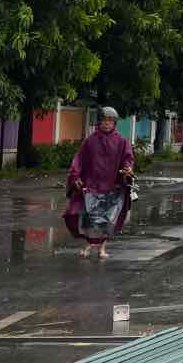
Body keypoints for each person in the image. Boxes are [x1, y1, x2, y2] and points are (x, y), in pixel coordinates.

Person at [63, 107, 134, 258]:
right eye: (104, 120)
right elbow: (79, 160)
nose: (107, 123)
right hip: (92, 185)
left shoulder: (121, 141)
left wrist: (127, 169)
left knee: (107, 219)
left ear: (114, 123)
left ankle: (102, 249)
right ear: (99, 122)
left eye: (110, 120)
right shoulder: (90, 141)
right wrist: (75, 176)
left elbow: (127, 159)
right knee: (88, 216)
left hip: (112, 186)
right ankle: (88, 245)